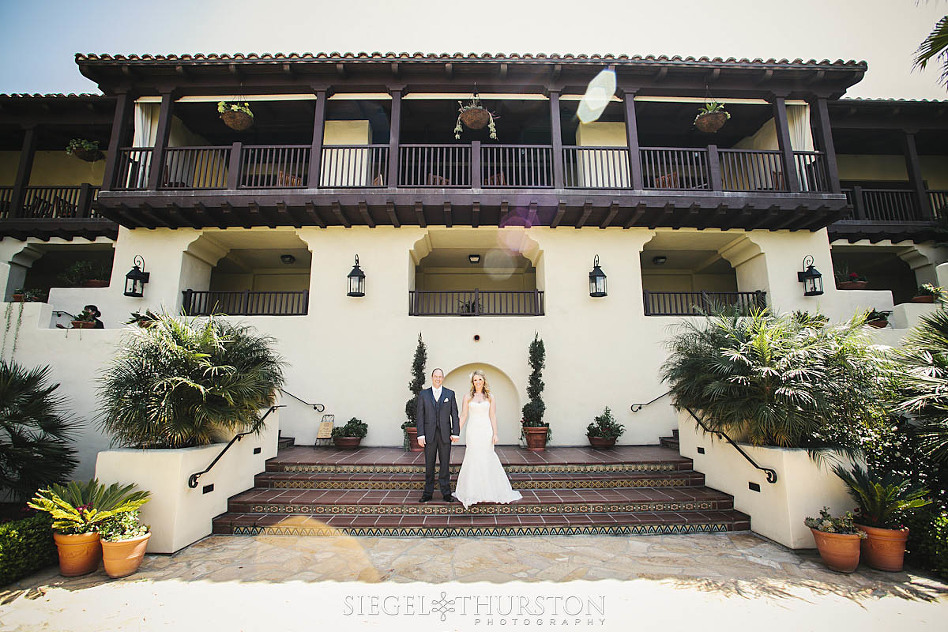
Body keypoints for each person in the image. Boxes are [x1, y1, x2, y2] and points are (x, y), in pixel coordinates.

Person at [453, 369, 522, 509]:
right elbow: (464, 415)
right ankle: (472, 490)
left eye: (480, 379)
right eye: (475, 380)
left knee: (487, 456)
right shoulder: (467, 397)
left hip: (486, 431)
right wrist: (456, 432)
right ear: (472, 382)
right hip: (473, 430)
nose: (478, 382)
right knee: (473, 457)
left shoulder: (490, 396)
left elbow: (493, 416)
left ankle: (489, 490)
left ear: (484, 381)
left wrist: (495, 433)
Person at [415, 368, 459, 502]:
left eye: (440, 377)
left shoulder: (450, 394)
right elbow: (420, 416)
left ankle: (446, 493)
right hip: (429, 435)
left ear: (443, 378)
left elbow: (454, 415)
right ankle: (428, 493)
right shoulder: (424, 394)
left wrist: (455, 432)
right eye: (436, 376)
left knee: (445, 464)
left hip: (445, 435)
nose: (438, 379)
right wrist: (420, 435)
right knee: (429, 464)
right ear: (432, 377)